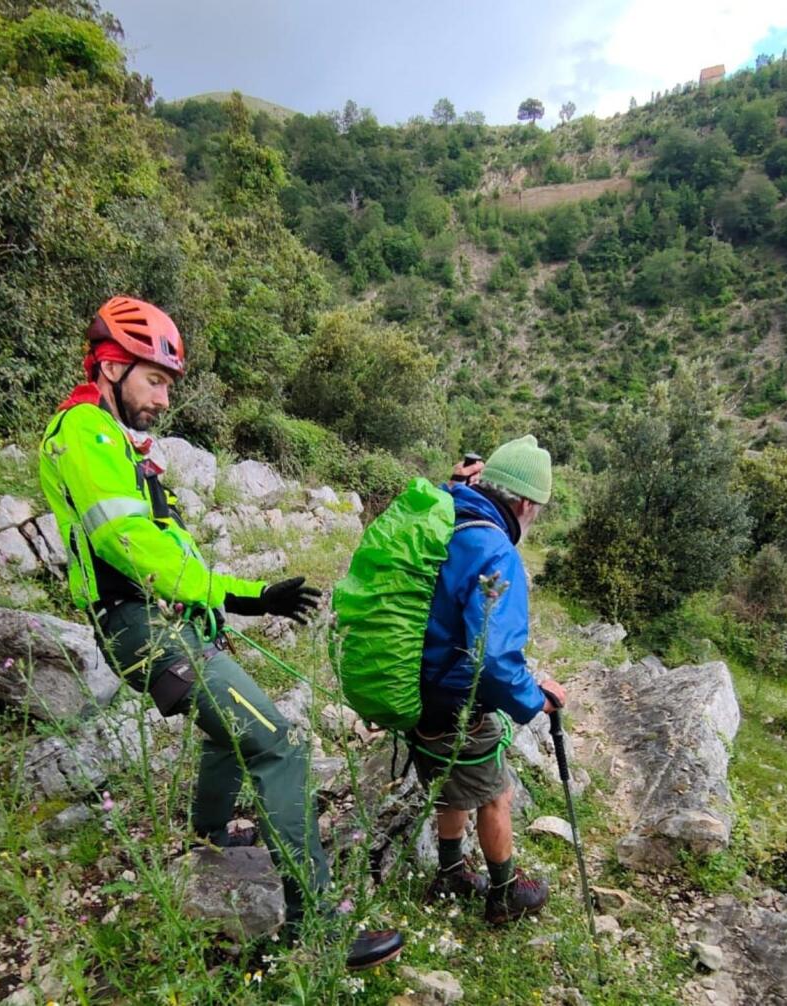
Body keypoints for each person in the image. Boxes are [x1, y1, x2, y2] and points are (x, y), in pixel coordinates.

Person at [39, 296, 402, 969]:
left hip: (165, 618)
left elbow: (168, 546)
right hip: (140, 625)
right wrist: (243, 596)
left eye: (169, 386)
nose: (164, 400)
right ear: (113, 367)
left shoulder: (119, 444)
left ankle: (210, 832)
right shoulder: (84, 432)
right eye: (155, 380)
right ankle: (317, 930)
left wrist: (223, 602)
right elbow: (129, 544)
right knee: (281, 744)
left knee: (232, 730)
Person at [413, 435, 567, 925]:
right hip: (457, 696)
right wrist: (536, 700)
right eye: (537, 508)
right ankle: (505, 895)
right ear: (524, 502)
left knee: (449, 780)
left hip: (412, 685)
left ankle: (452, 871)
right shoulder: (496, 550)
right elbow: (496, 660)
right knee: (496, 793)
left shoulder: (446, 517)